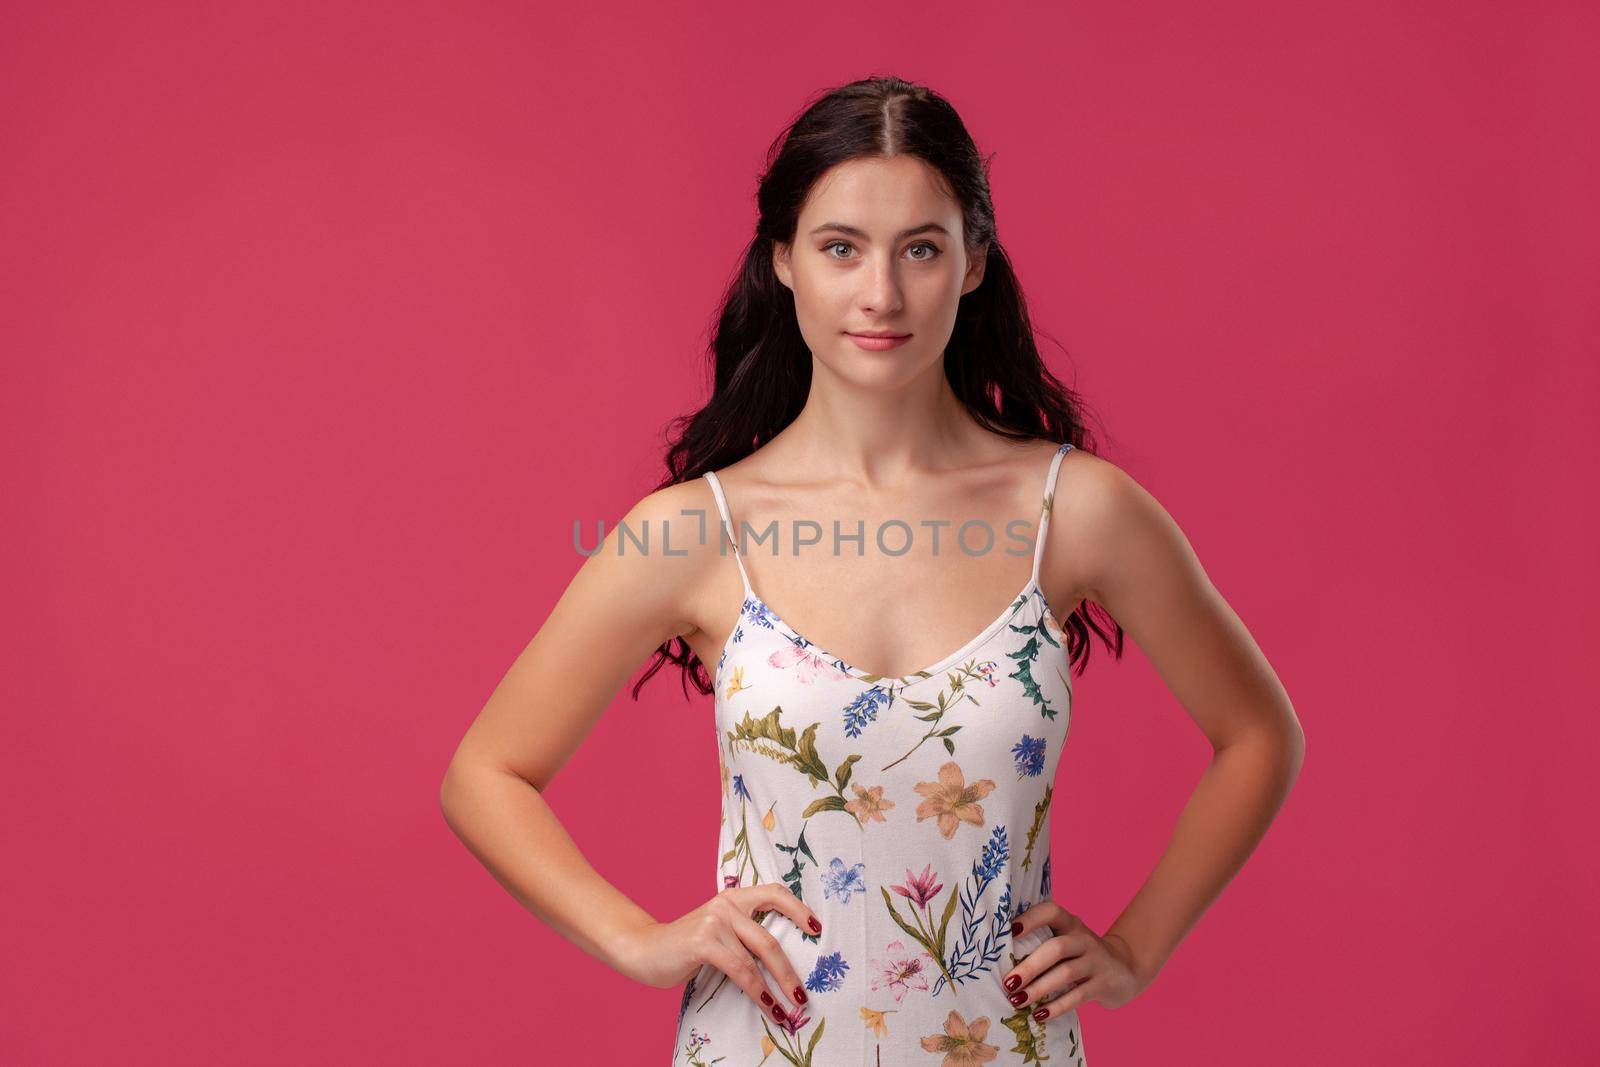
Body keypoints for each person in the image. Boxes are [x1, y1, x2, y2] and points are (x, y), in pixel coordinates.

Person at [439, 75, 1304, 1066]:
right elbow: (485, 773)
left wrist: (1136, 949)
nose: (881, 293)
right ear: (784, 261)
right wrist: (641, 940)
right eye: (840, 247)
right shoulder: (692, 531)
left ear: (974, 261)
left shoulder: (1078, 512)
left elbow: (1257, 735)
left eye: (921, 249)